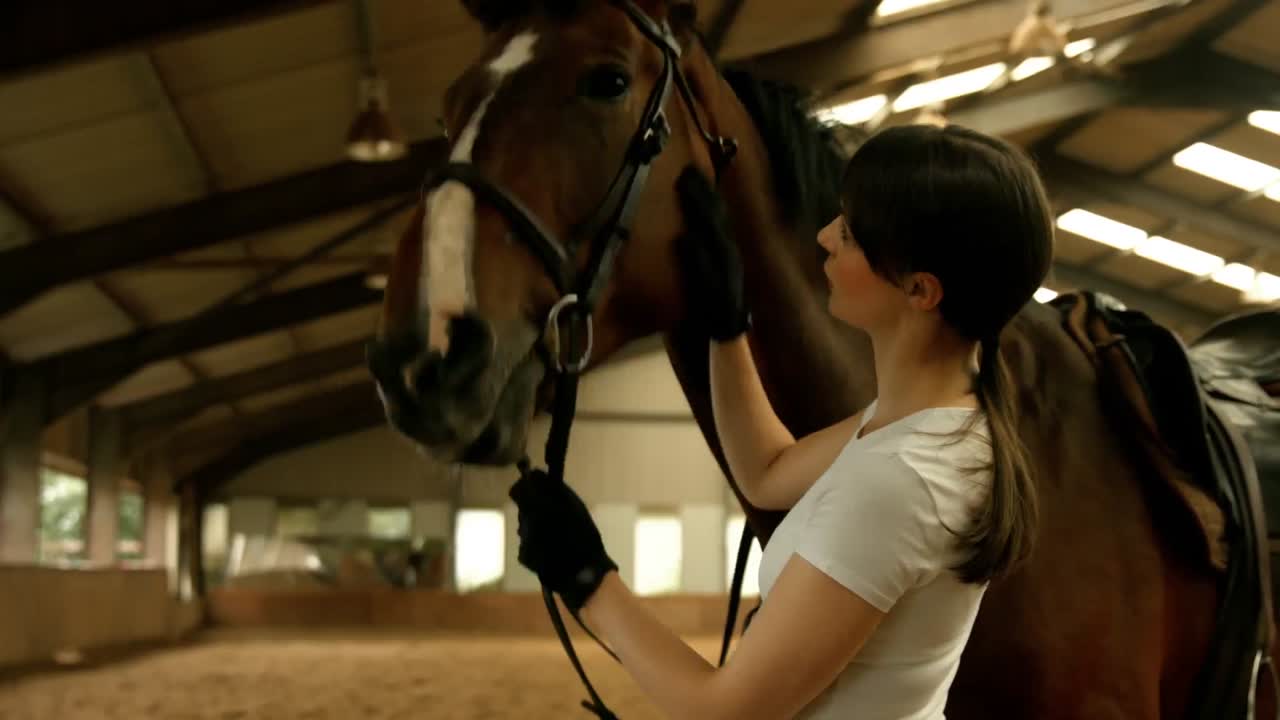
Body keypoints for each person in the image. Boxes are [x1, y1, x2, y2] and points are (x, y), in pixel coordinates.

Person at [508, 123, 1055, 719]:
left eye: (848, 233)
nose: (824, 237)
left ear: (920, 289)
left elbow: (724, 712)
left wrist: (589, 581)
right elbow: (767, 472)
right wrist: (727, 326)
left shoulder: (902, 480)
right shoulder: (938, 423)